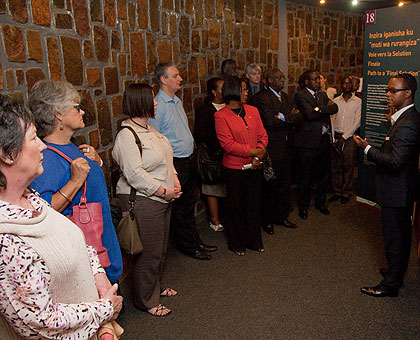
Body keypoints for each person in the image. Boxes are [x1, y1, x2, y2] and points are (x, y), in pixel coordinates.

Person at [0, 95, 123, 339]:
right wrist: (106, 308)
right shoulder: (6, 241)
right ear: (8, 155)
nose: (43, 145)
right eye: (34, 138)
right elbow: (39, 323)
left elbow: (77, 242)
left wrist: (99, 280)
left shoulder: (31, 198)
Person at [28, 80, 123, 285]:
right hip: (84, 254)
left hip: (100, 239)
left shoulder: (73, 147)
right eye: (76, 107)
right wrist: (75, 181)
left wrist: (97, 162)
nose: (82, 112)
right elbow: (41, 212)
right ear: (58, 114)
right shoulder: (47, 158)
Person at [113, 83, 180, 316]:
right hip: (145, 200)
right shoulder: (126, 135)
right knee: (148, 253)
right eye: (151, 99)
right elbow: (135, 174)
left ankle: (155, 288)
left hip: (162, 198)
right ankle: (147, 301)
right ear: (139, 102)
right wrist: (163, 191)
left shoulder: (150, 130)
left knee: (160, 249)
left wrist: (175, 179)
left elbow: (166, 159)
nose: (155, 103)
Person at [354, 73, 420, 297]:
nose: (388, 94)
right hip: (400, 189)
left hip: (397, 191)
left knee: (395, 238)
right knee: (399, 237)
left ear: (408, 93)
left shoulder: (408, 124)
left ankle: (390, 285)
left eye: (393, 90)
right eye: (387, 90)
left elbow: (395, 162)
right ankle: (395, 272)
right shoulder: (405, 118)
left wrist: (366, 149)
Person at [149, 62, 216, 260]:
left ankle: (195, 241)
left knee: (189, 204)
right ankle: (188, 246)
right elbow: (155, 137)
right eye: (175, 76)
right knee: (179, 208)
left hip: (188, 159)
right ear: (163, 80)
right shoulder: (158, 106)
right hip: (175, 163)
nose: (180, 79)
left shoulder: (176, 100)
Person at [214, 76, 268, 256]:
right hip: (234, 169)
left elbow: (263, 135)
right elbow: (228, 145)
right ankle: (236, 242)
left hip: (255, 166)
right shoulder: (220, 115)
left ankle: (254, 240)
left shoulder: (253, 110)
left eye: (246, 90)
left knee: (254, 205)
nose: (247, 93)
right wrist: (253, 151)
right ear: (233, 91)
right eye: (243, 90)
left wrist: (259, 154)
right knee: (235, 206)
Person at [249, 69, 302, 234]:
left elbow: (299, 117)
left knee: (285, 185)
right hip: (272, 148)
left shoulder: (286, 97)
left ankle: (282, 215)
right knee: (270, 185)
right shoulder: (261, 98)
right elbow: (269, 122)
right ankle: (267, 220)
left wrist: (282, 117)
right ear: (269, 81)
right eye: (279, 77)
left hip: (288, 148)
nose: (283, 80)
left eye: (283, 77)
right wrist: (289, 118)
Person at [294, 70, 338, 219]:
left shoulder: (322, 94)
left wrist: (319, 109)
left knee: (323, 176)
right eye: (314, 80)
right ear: (306, 82)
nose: (318, 82)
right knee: (306, 177)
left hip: (324, 141)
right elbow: (308, 114)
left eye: (319, 79)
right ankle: (304, 207)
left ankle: (321, 203)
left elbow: (335, 108)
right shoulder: (300, 95)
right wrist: (323, 110)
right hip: (308, 143)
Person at [194, 77, 226, 232]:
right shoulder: (205, 110)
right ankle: (215, 220)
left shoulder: (231, 106)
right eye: (222, 88)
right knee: (212, 188)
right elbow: (201, 134)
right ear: (213, 92)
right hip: (212, 155)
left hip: (230, 154)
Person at [329, 76, 361, 204]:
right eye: (344, 83)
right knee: (335, 165)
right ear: (340, 85)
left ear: (352, 85)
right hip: (335, 136)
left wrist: (344, 137)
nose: (346, 86)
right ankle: (337, 191)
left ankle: (346, 191)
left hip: (349, 138)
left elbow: (357, 123)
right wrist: (332, 138)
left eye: (349, 83)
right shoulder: (335, 101)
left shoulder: (358, 102)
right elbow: (331, 119)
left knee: (348, 165)